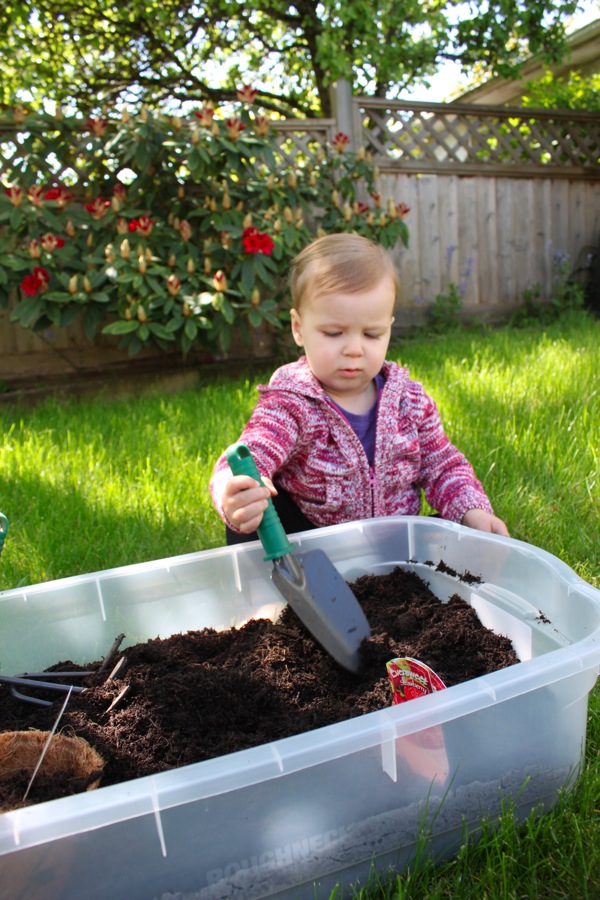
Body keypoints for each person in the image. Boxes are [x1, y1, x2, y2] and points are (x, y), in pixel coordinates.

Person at [210, 233, 509, 543]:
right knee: (255, 518)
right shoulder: (291, 402)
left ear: (389, 328)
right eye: (334, 332)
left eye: (372, 334)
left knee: (467, 531)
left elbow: (442, 465)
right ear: (299, 328)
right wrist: (236, 490)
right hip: (314, 546)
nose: (354, 349)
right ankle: (278, 585)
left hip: (396, 545)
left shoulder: (410, 402)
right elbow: (254, 451)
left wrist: (471, 510)